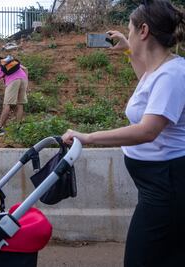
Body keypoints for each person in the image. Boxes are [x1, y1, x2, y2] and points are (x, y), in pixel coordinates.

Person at [62, 1, 185, 266]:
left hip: (167, 185)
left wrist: (88, 137)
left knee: (140, 260)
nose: (126, 33)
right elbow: (147, 87)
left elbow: (148, 130)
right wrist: (128, 51)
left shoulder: (172, 75)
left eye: (129, 30)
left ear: (143, 31)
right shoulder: (159, 71)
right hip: (159, 184)